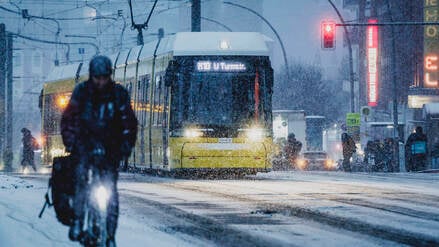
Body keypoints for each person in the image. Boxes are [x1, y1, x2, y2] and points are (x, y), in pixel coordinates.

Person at [61, 55, 138, 246]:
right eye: (97, 77)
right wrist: (70, 142)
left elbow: (129, 122)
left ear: (109, 75)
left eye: (104, 77)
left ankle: (109, 235)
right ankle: (78, 219)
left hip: (110, 149)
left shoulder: (119, 94)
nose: (101, 81)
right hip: (84, 147)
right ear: (91, 76)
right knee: (80, 180)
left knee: (111, 194)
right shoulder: (81, 92)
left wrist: (125, 147)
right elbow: (68, 120)